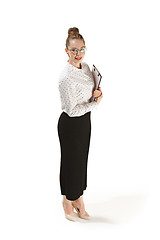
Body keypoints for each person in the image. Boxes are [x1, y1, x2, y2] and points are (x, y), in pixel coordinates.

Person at [57, 27, 103, 221]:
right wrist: (94, 104)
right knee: (70, 163)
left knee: (80, 162)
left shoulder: (84, 67)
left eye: (82, 49)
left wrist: (96, 93)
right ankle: (68, 200)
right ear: (66, 51)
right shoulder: (66, 77)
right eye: (74, 50)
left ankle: (78, 198)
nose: (79, 54)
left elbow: (88, 91)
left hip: (84, 122)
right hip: (70, 124)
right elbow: (71, 110)